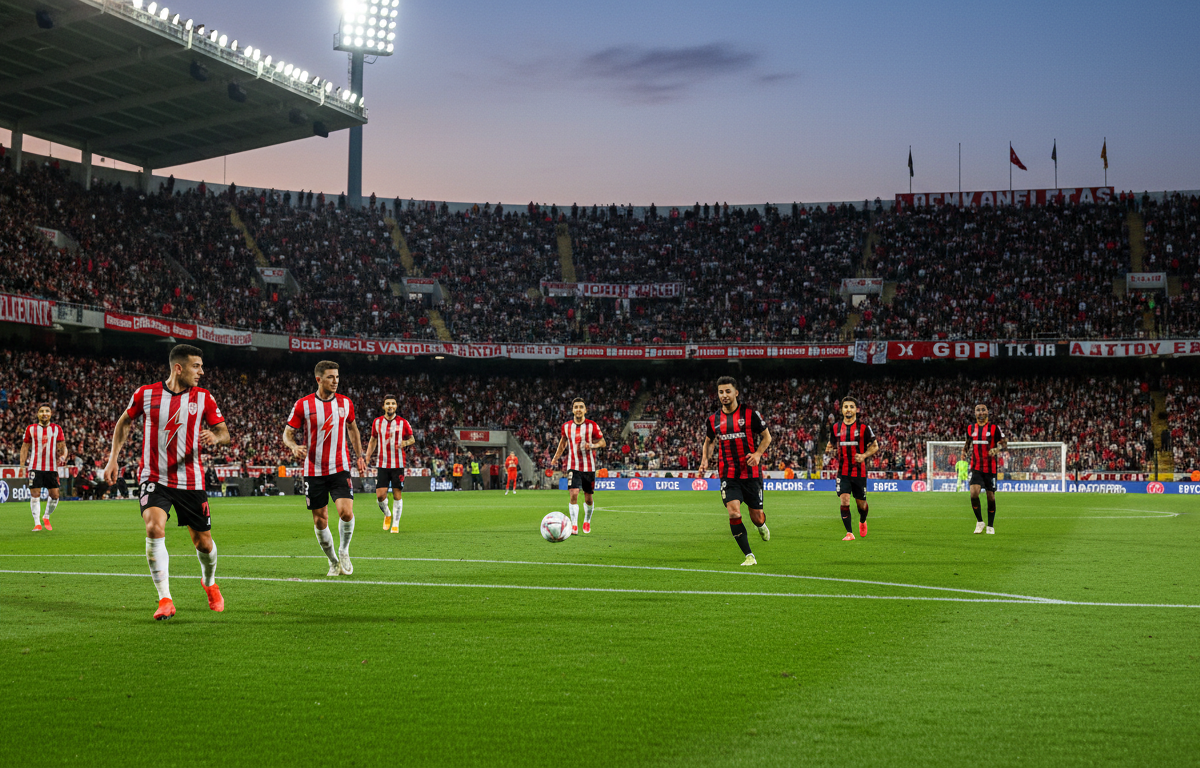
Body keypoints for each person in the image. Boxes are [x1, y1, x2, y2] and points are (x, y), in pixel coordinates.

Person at [103, 344, 231, 620]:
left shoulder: (204, 398)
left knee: (204, 544)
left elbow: (225, 433)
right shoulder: (146, 394)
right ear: (178, 368)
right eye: (196, 366)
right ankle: (165, 599)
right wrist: (113, 459)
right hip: (154, 476)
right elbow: (124, 422)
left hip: (191, 481)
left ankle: (209, 583)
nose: (201, 372)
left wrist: (216, 437)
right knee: (153, 527)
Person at [283, 361, 368, 576]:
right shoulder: (303, 405)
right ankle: (332, 561)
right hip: (313, 471)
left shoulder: (346, 403)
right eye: (331, 377)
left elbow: (353, 430)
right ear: (318, 379)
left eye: (337, 377)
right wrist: (293, 446)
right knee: (320, 520)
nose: (336, 381)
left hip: (339, 467)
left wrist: (360, 456)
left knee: (346, 513)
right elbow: (287, 433)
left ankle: (344, 550)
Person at [699, 377, 771, 566]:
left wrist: (757, 454)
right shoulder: (713, 419)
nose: (724, 395)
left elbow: (766, 437)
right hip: (728, 473)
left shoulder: (749, 414)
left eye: (728, 391)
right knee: (734, 513)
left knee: (756, 516)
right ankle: (749, 555)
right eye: (721, 392)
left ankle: (761, 525)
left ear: (736, 393)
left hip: (751, 473)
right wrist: (704, 460)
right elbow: (709, 440)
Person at [550, 398, 606, 534]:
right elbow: (563, 442)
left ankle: (587, 521)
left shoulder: (592, 425)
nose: (579, 409)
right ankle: (574, 525)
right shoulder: (566, 426)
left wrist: (592, 445)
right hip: (573, 465)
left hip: (589, 467)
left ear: (585, 410)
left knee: (588, 497)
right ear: (573, 410)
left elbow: (603, 442)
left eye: (581, 407)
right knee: (573, 494)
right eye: (576, 407)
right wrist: (556, 457)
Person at [826, 396, 877, 541]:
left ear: (857, 410)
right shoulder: (835, 427)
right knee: (845, 500)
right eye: (846, 406)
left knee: (861, 505)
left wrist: (864, 455)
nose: (848, 409)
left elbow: (875, 446)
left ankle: (862, 520)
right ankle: (849, 533)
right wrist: (829, 450)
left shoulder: (864, 428)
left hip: (859, 472)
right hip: (842, 472)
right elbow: (831, 445)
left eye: (851, 406)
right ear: (841, 410)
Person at [366, 393, 414, 534]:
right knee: (380, 495)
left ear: (396, 406)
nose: (390, 406)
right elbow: (373, 440)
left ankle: (396, 524)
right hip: (382, 463)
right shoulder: (377, 422)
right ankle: (387, 514)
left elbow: (412, 439)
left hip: (398, 464)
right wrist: (367, 457)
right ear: (383, 406)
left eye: (393, 403)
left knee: (397, 494)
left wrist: (405, 442)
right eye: (388, 403)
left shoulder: (403, 422)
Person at [20, 403, 67, 531]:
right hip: (35, 467)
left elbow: (63, 446)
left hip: (51, 468)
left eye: (47, 411)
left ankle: (46, 516)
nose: (44, 413)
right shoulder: (31, 428)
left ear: (51, 414)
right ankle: (37, 523)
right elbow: (25, 447)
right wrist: (22, 465)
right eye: (41, 411)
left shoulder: (57, 429)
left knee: (55, 495)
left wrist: (63, 456)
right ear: (38, 414)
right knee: (35, 494)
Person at [964, 403, 1007, 534]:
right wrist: (963, 454)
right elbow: (967, 443)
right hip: (976, 467)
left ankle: (990, 525)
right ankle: (979, 522)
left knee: (991, 497)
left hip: (990, 468)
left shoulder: (994, 428)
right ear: (975, 413)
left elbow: (1004, 443)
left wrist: (997, 448)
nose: (981, 412)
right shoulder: (970, 428)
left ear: (988, 412)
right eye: (978, 410)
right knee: (973, 493)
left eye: (983, 410)